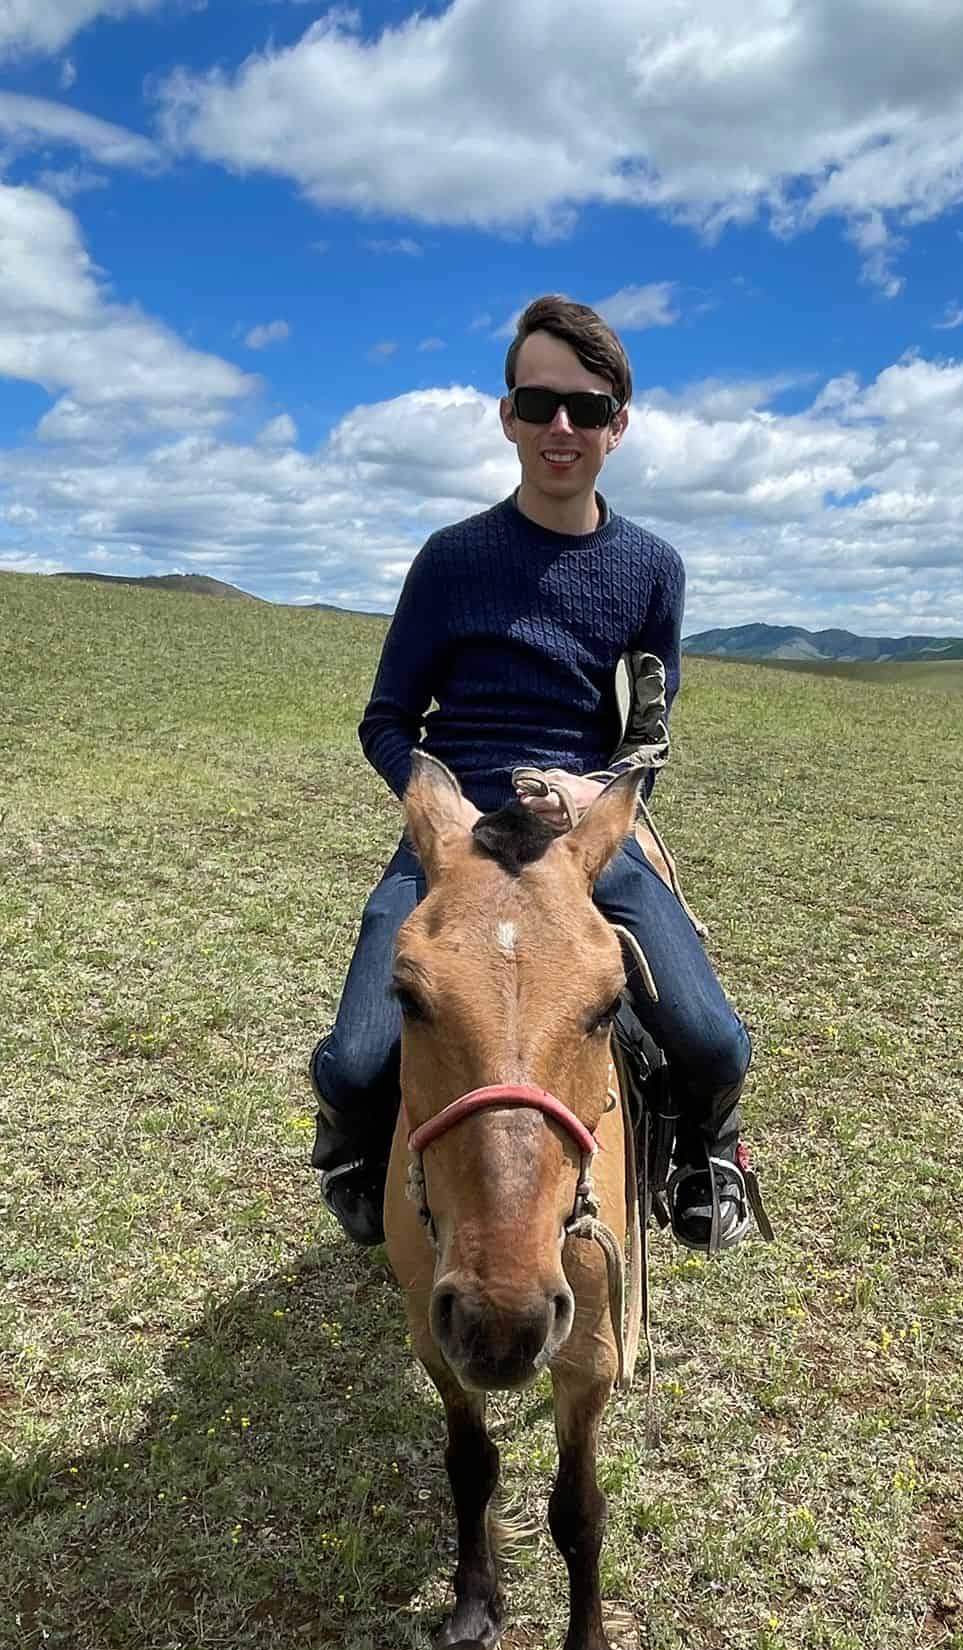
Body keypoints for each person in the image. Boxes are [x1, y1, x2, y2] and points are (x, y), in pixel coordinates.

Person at [309, 293, 761, 1253]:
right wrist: (445, 811)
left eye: (588, 409)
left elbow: (649, 734)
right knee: (352, 1063)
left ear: (618, 426)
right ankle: (357, 1160)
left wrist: (598, 799)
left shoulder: (652, 568)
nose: (563, 428)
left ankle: (704, 1153)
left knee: (716, 1040)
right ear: (508, 416)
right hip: (455, 840)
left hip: (589, 841)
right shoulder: (452, 559)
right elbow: (386, 721)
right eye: (540, 403)